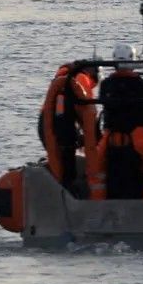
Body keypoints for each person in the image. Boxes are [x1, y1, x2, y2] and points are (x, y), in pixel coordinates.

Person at [92, 43, 143, 200]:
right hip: (138, 139)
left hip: (110, 138)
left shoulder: (105, 84)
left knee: (96, 173)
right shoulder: (141, 84)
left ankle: (97, 208)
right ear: (132, 61)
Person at [38, 61, 100, 196]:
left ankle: (60, 186)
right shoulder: (82, 79)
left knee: (59, 161)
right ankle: (70, 192)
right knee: (67, 165)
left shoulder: (65, 78)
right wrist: (98, 139)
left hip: (46, 125)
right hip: (61, 127)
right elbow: (88, 114)